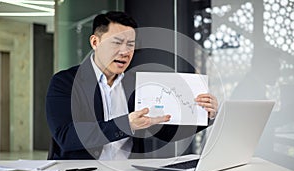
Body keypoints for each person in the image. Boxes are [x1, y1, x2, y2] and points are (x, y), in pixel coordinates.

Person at [46, 11, 218, 160]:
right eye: (116, 42)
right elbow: (66, 137)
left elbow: (163, 130)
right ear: (95, 42)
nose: (125, 51)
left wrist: (203, 116)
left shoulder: (138, 84)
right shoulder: (64, 82)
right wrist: (124, 125)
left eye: (130, 44)